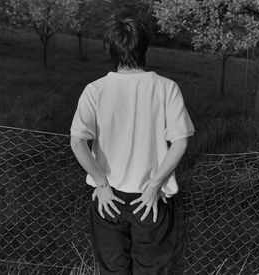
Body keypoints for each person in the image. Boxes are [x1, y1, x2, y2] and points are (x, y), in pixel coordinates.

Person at [70, 17, 195, 275]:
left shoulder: (95, 90)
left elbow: (77, 142)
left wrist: (101, 185)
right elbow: (180, 141)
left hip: (109, 200)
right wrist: (154, 185)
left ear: (110, 49)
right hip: (151, 200)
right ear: (144, 47)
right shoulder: (167, 88)